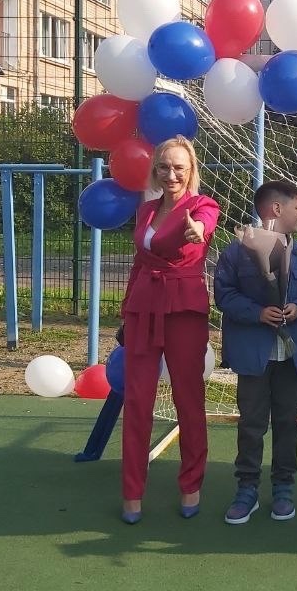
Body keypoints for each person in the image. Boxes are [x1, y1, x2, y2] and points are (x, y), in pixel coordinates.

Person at [118, 135, 220, 525]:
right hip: (143, 309)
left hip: (184, 310)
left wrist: (196, 230)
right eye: (163, 166)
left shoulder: (203, 206)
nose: (171, 174)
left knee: (188, 401)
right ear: (155, 170)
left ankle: (191, 485)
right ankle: (131, 492)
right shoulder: (145, 210)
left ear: (191, 170)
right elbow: (139, 262)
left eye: (179, 167)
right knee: (137, 401)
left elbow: (202, 228)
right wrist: (126, 312)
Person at [214, 180, 297, 524]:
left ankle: (283, 488)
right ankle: (247, 489)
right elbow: (224, 296)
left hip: (291, 358)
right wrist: (258, 312)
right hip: (253, 356)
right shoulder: (236, 252)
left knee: (288, 423)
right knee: (251, 424)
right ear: (276, 209)